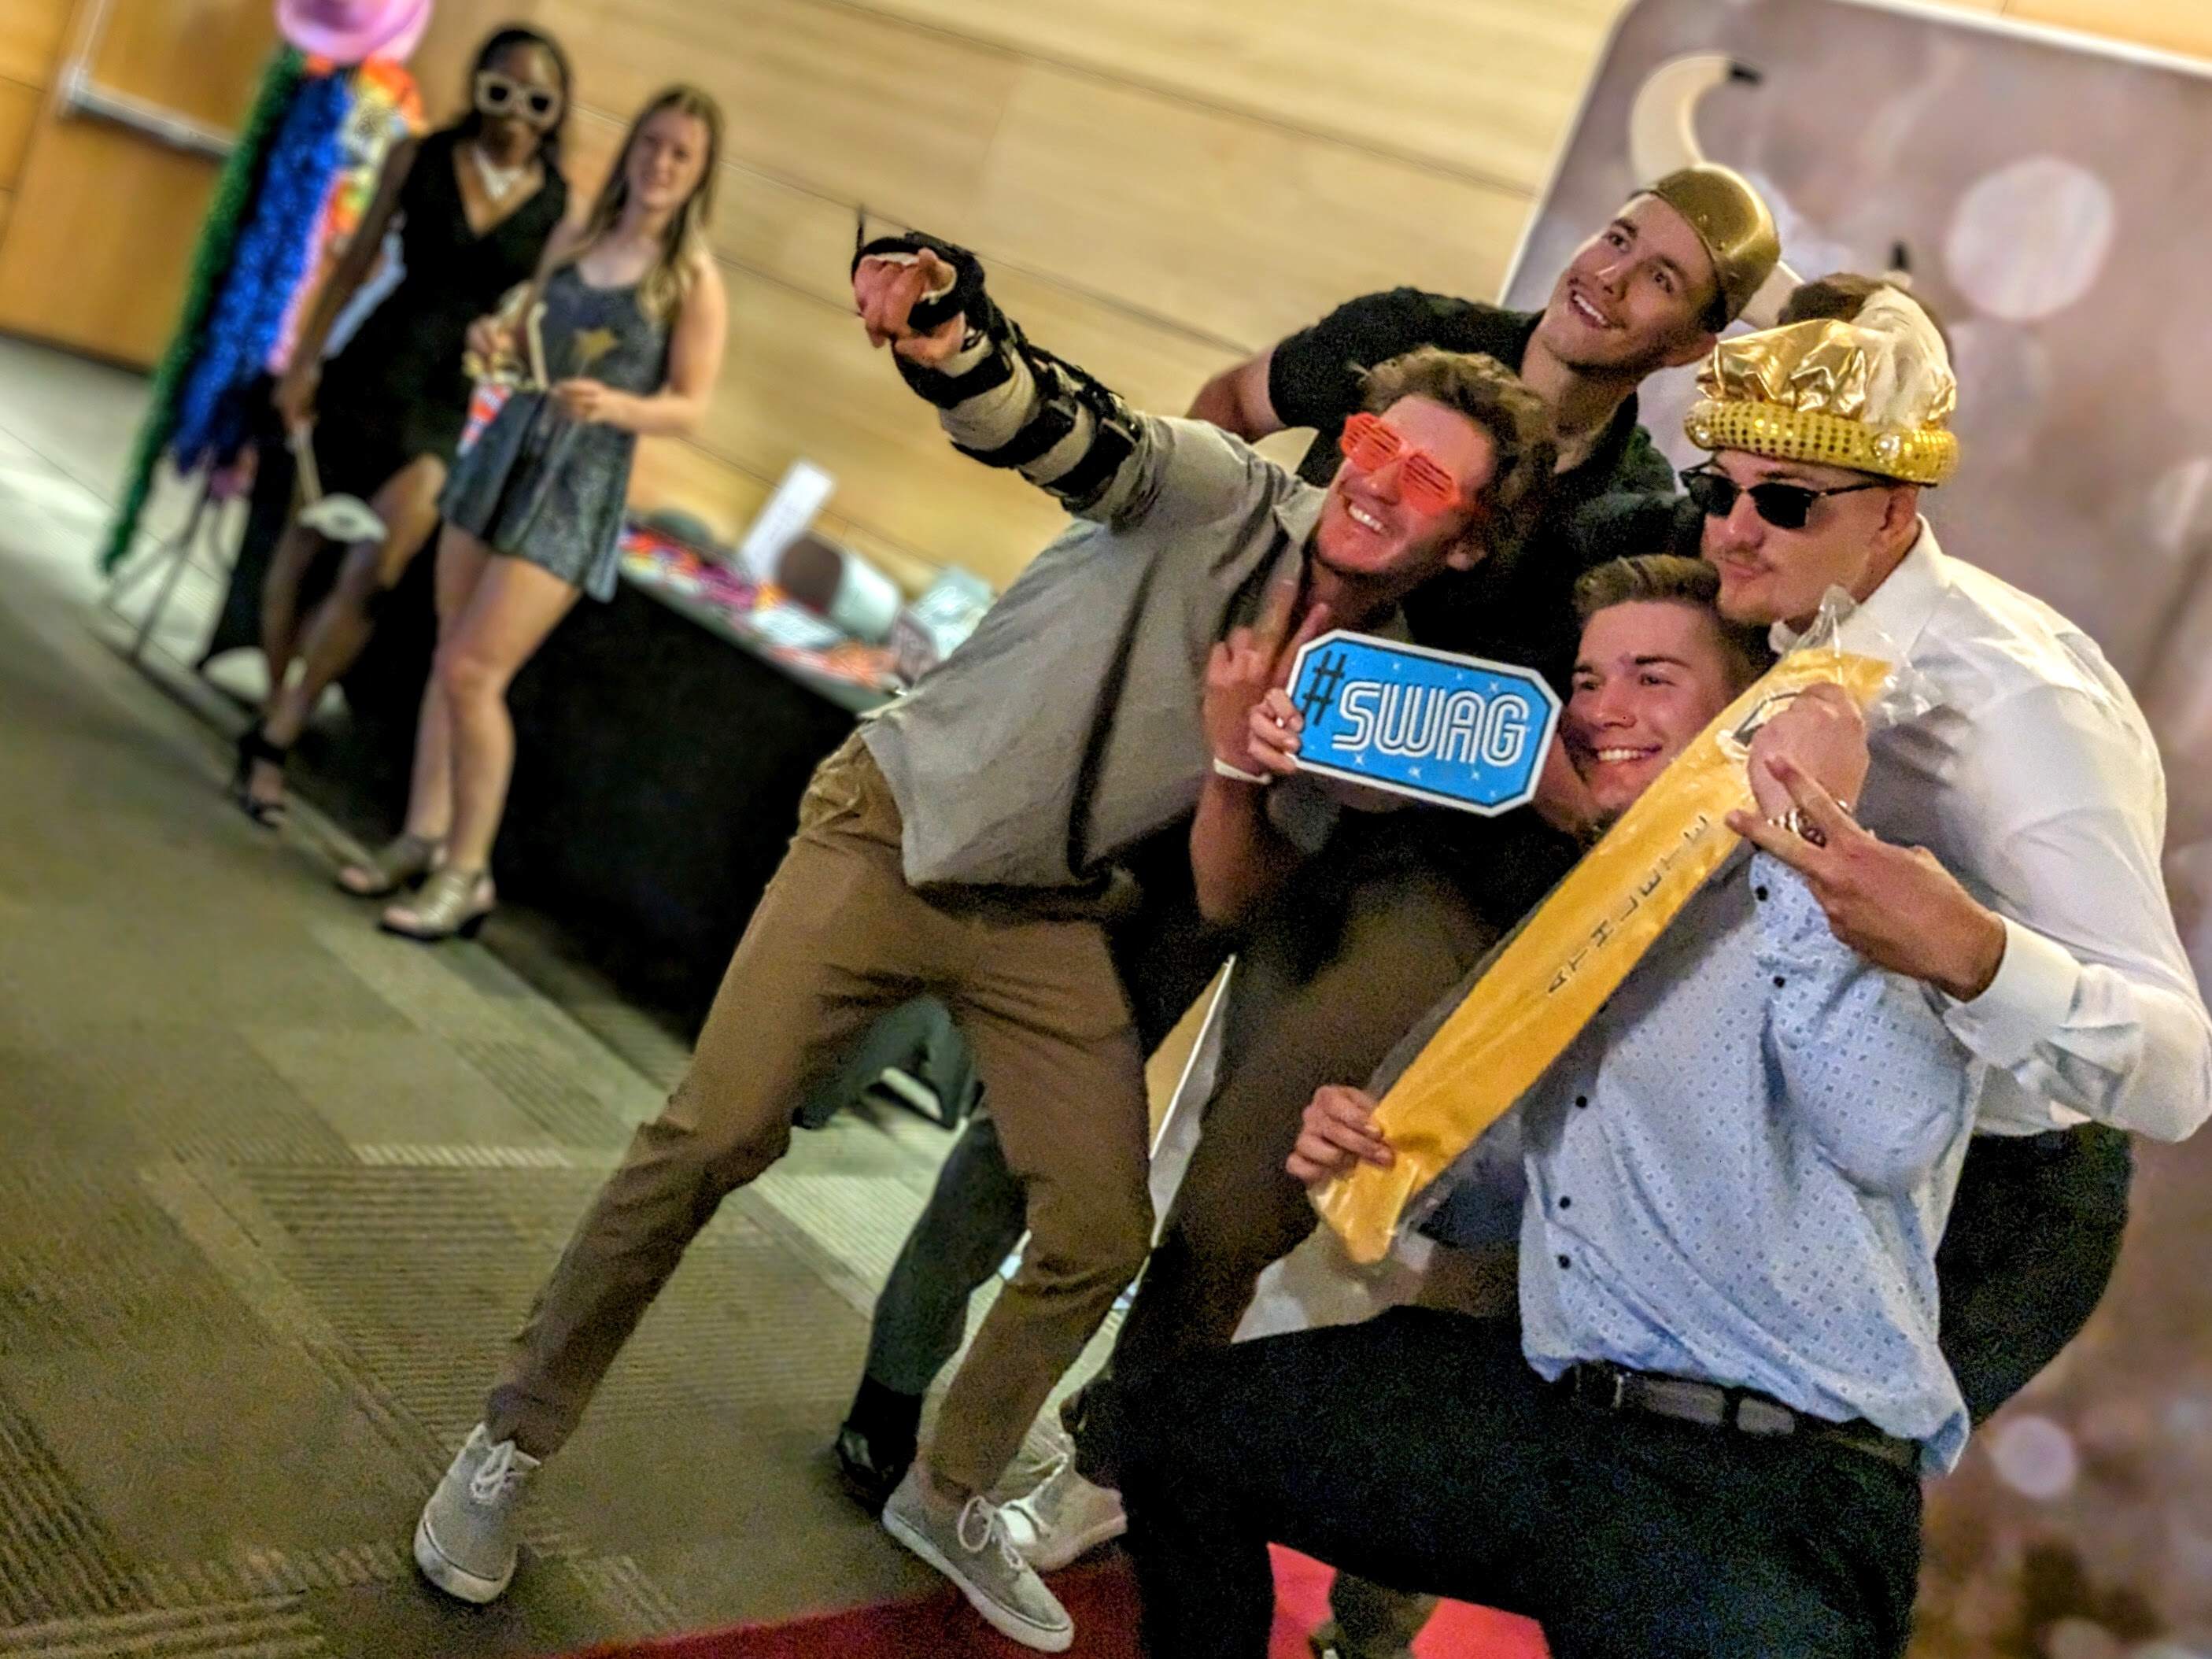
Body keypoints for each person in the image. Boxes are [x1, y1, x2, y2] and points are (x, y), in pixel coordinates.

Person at [408, 228, 1556, 1654]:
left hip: (1046, 915)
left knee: (1098, 1228)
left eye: (1429, 476)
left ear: (1471, 537)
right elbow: (1074, 432)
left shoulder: (1378, 692)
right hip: (892, 829)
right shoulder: (1223, 491)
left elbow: (1223, 897)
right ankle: (512, 1436)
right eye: (1378, 440)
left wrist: (1234, 760)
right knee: (714, 1133)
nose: (1380, 479)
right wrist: (953, 334)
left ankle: (949, 1483)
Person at [828, 168, 1781, 1549]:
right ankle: (896, 1374)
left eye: (1660, 278)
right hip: (1236, 773)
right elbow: (1214, 416)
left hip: (1423, 874)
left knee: (1231, 1194)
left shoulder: (1645, 514)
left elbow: (1630, 712)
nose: (1612, 275)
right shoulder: (1414, 342)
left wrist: (1583, 781)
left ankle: (1114, 1457)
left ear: (1693, 344)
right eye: (1619, 234)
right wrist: (1201, 617)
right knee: (1052, 1098)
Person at [1677, 272, 2212, 1424]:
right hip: (1808, 1135)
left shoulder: (2013, 707)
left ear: (1894, 511)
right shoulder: (1783, 615)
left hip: (1992, 1194)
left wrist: (1969, 952)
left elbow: (2175, 1072)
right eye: (1712, 490)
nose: (1730, 528)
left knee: (1788, 1535)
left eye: (1783, 500)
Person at [354, 87, 729, 940]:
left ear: (701, 173)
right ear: (632, 147)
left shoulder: (691, 279)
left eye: (682, 154)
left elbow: (690, 407)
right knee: (450, 651)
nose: (661, 164)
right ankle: (421, 832)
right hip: (504, 455)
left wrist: (617, 407)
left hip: (577, 481)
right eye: (653, 144)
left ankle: (467, 867)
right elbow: (517, 323)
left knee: (476, 672)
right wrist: (491, 336)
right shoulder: (579, 236)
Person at [233, 27, 573, 828]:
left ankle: (280, 733)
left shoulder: (560, 204)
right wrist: (306, 361)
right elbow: (352, 264)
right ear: (478, 85)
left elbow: (542, 312)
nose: (516, 111)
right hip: (373, 362)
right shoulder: (419, 155)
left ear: (557, 109)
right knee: (306, 543)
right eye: (501, 89)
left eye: (537, 98)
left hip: (451, 400)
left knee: (377, 567)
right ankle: (276, 703)